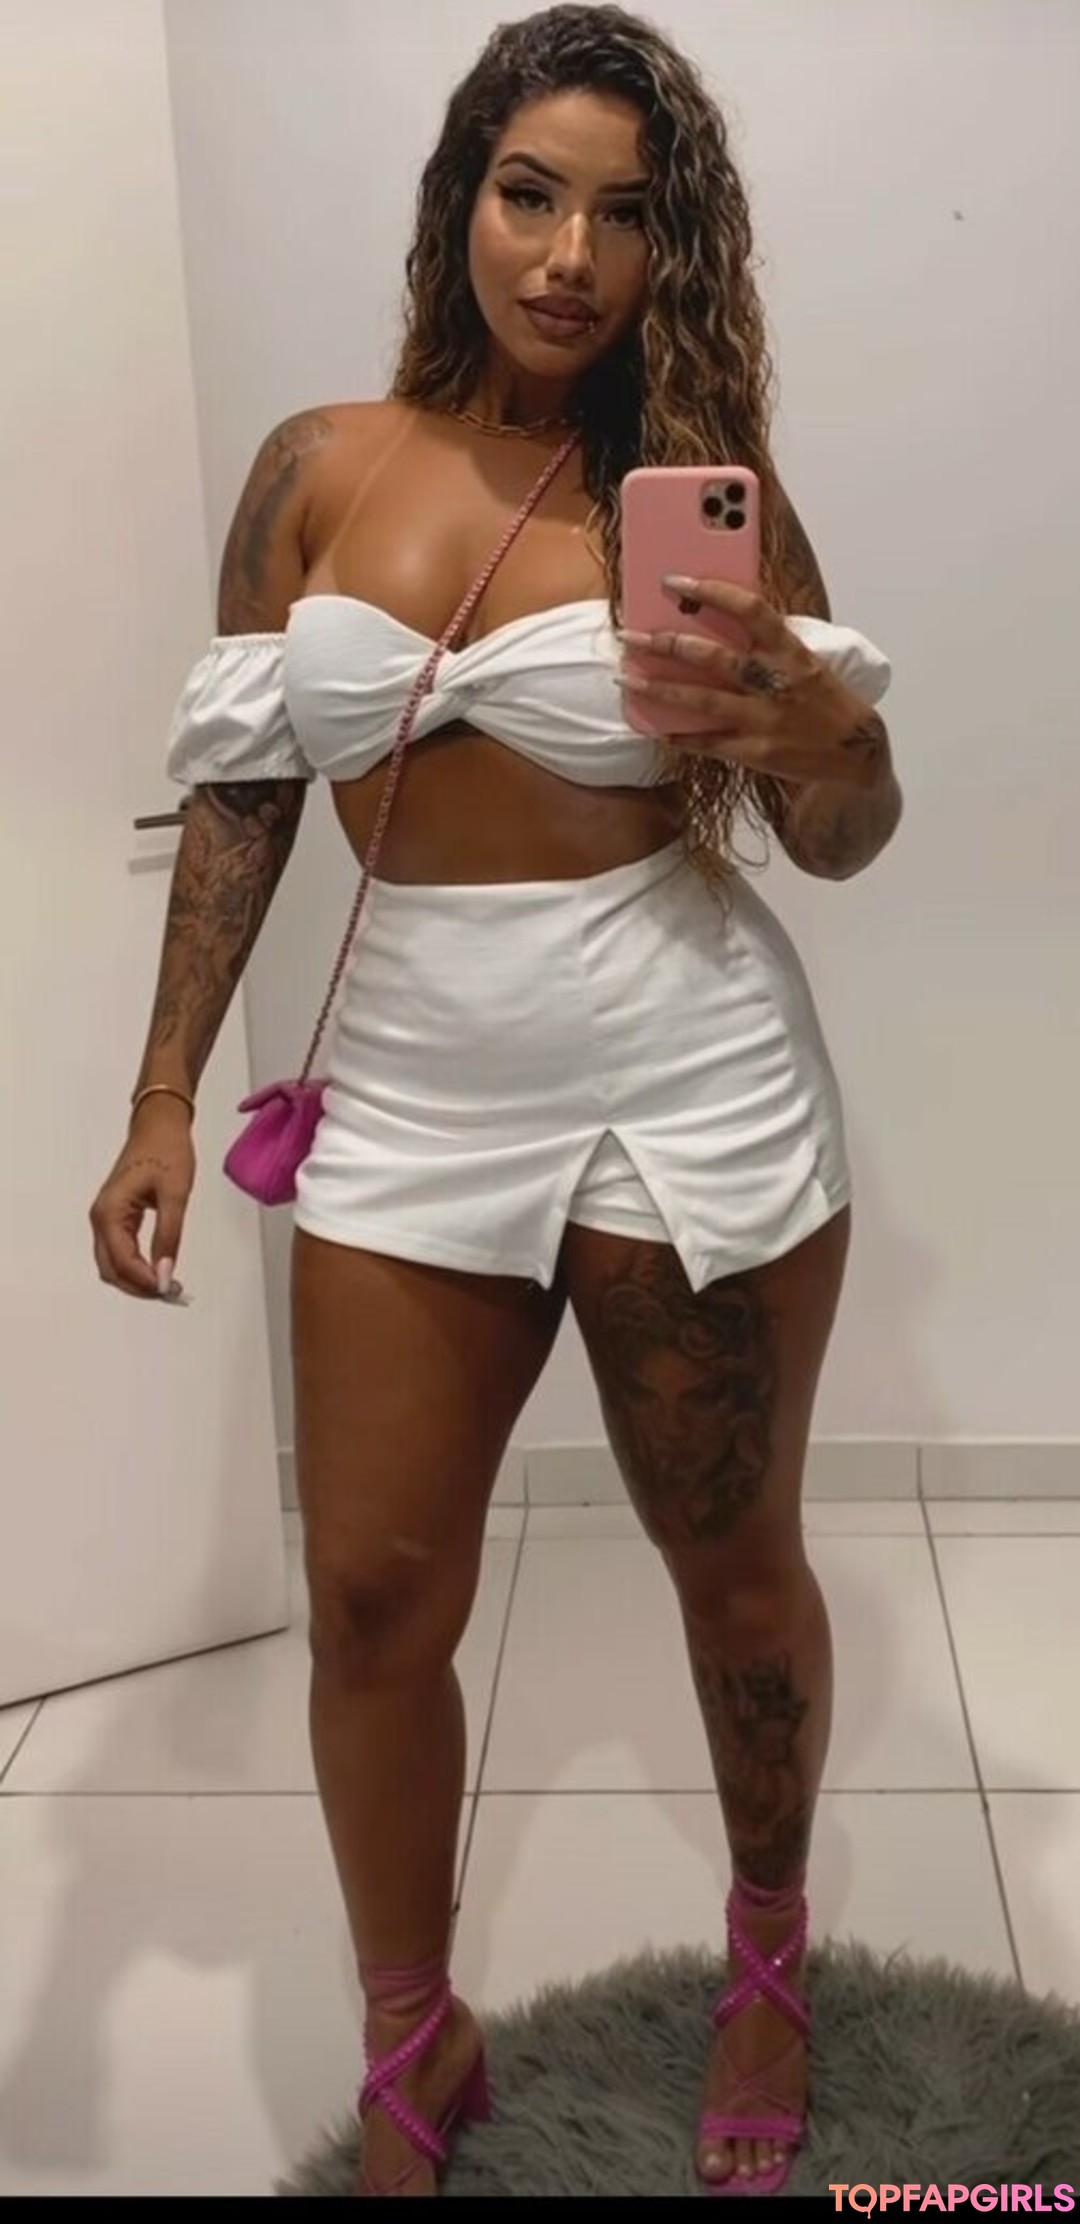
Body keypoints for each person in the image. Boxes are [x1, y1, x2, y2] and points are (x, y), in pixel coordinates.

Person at [89, 1, 901, 2198]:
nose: (570, 256)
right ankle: (411, 2029)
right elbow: (247, 789)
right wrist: (163, 1092)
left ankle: (767, 1956)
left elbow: (842, 837)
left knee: (731, 1572)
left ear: (670, 252)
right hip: (410, 1091)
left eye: (625, 217)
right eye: (531, 195)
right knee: (372, 1597)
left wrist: (824, 741)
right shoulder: (317, 468)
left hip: (682, 1082)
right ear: (462, 198)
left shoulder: (710, 506)